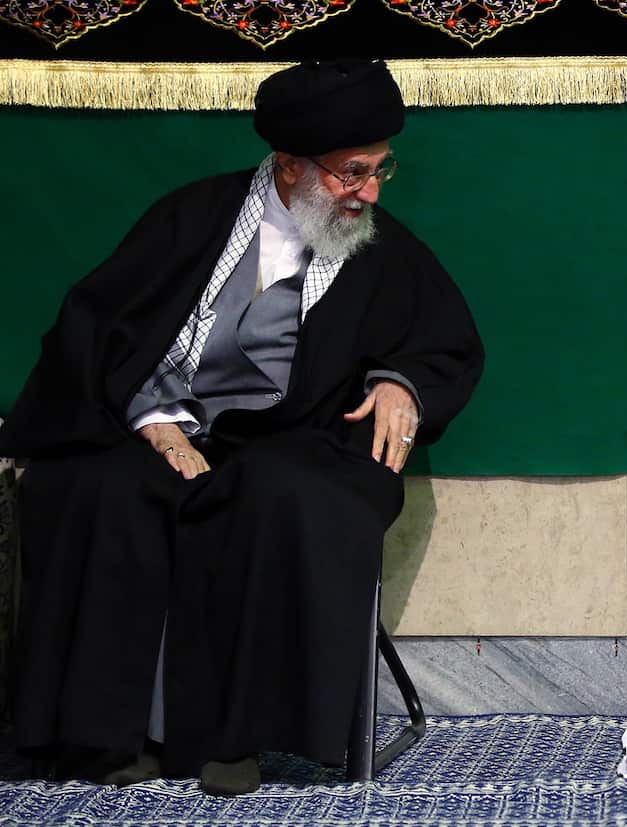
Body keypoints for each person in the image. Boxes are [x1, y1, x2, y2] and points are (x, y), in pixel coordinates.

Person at [0, 60, 484, 794]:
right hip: (166, 423)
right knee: (100, 486)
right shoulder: (191, 218)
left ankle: (239, 739)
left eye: (382, 170)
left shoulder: (385, 251)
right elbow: (100, 328)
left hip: (299, 441)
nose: (371, 191)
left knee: (280, 491)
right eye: (353, 173)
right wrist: (159, 421)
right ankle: (112, 735)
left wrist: (400, 383)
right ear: (291, 165)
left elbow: (443, 340)